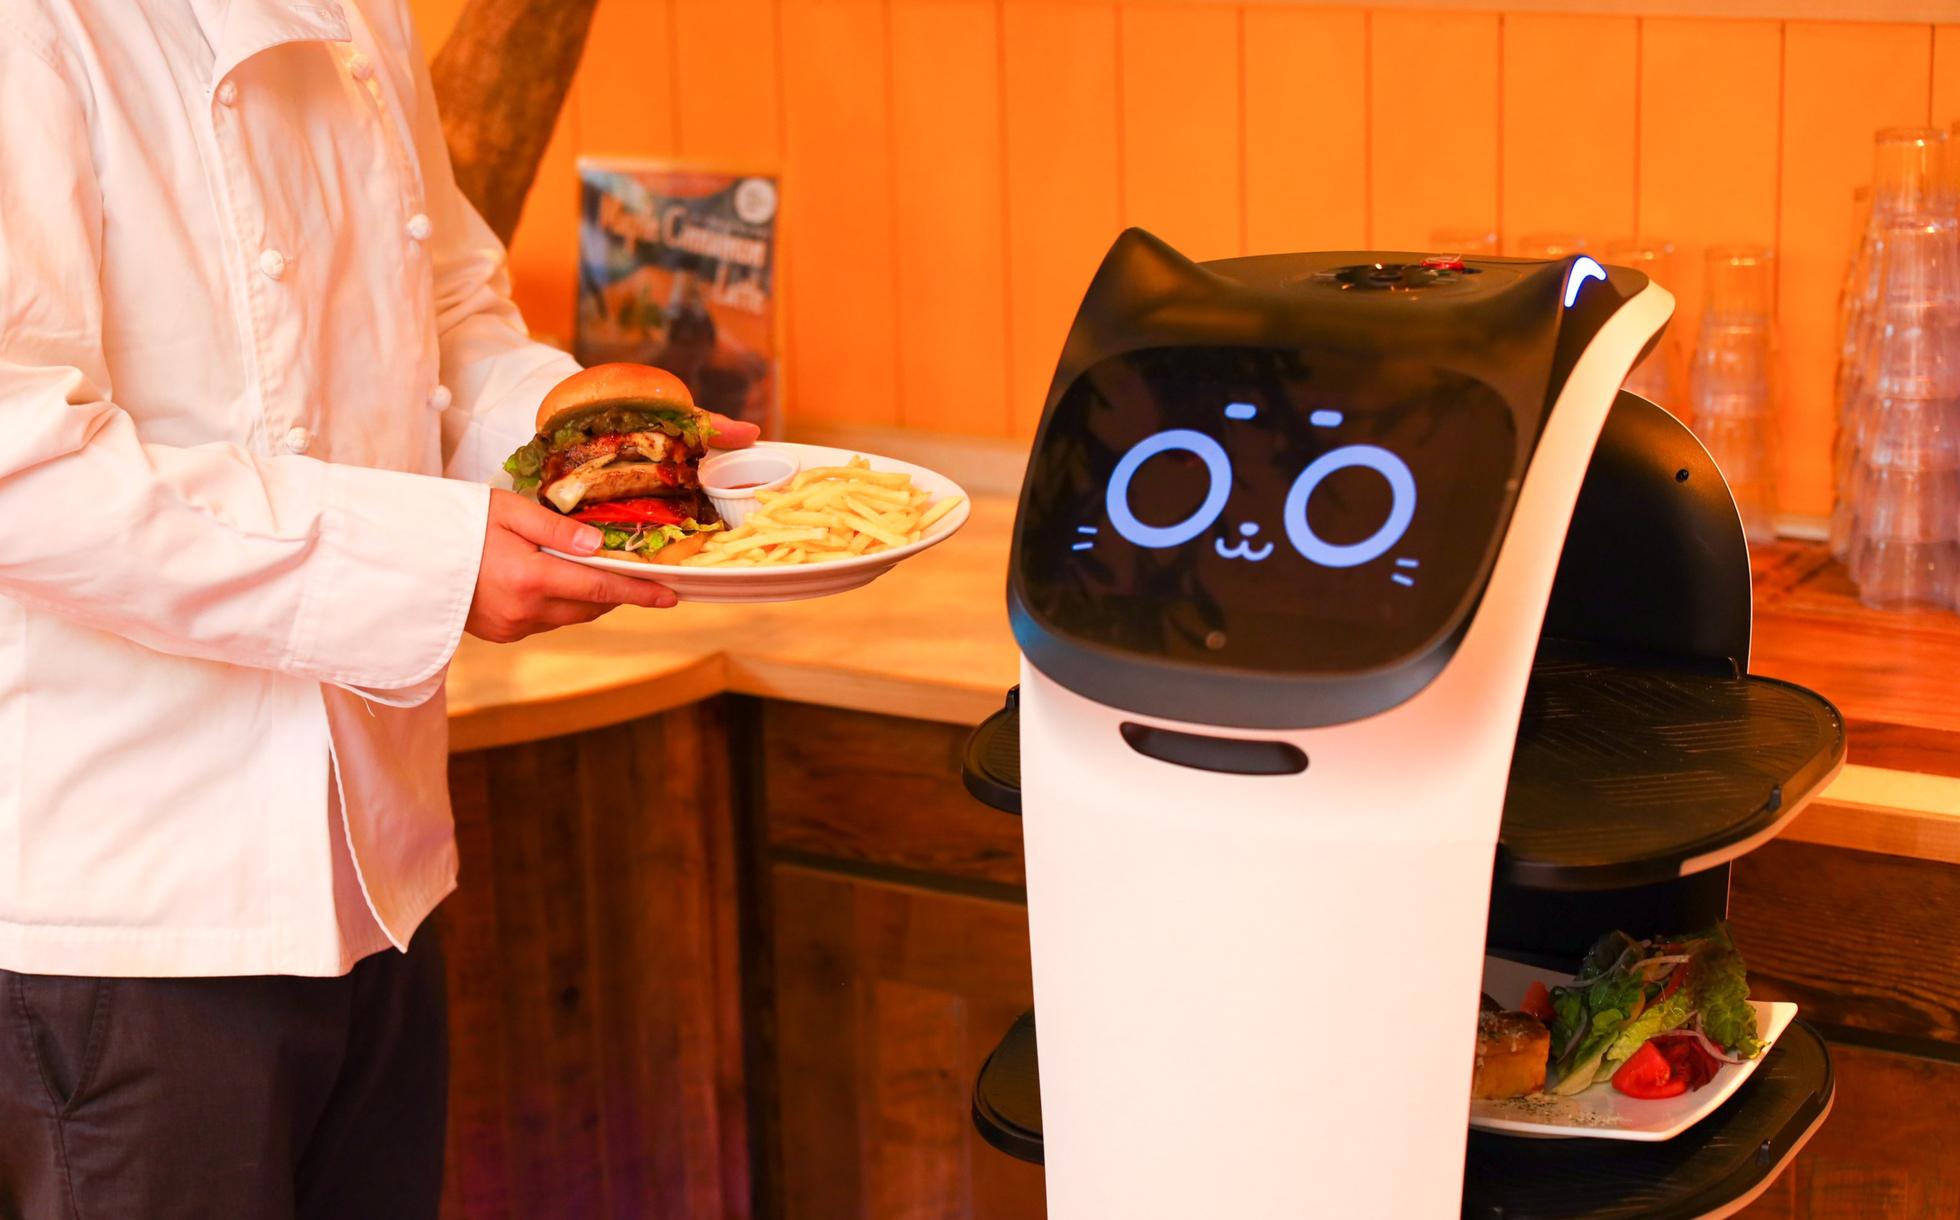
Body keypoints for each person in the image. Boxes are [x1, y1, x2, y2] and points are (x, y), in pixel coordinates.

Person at [0, 2, 755, 1215]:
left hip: (376, 868)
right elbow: (24, 471)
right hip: (134, 916)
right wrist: (436, 563)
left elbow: (448, 320)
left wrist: (589, 439)